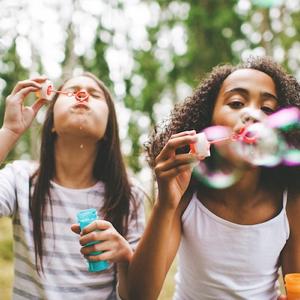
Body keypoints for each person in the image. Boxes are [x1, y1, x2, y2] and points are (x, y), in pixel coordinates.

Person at [128, 56, 300, 300]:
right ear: (208, 120)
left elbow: (296, 285)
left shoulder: (289, 202)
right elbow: (138, 295)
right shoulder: (187, 194)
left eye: (267, 109)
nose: (252, 114)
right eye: (237, 103)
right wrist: (165, 203)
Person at [0, 72, 145, 299]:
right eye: (71, 90)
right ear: (52, 124)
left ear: (108, 128)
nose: (82, 94)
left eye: (95, 94)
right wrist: (9, 132)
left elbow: (138, 296)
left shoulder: (128, 194)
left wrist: (126, 257)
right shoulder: (21, 179)